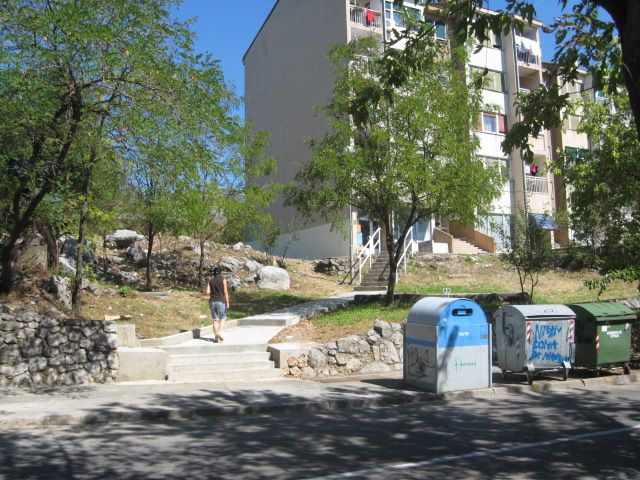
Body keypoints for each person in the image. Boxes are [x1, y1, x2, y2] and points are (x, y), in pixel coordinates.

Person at [204, 267, 230, 343]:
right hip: (221, 301)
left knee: (215, 319)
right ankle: (219, 333)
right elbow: (225, 292)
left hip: (212, 301)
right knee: (222, 317)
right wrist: (227, 303)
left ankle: (216, 337)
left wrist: (212, 291)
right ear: (220, 273)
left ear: (214, 273)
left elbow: (207, 292)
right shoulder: (223, 280)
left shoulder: (210, 281)